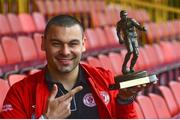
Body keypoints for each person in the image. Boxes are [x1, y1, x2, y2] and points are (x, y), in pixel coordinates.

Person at [0, 15, 147, 119]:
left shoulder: (104, 79)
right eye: (56, 43)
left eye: (73, 44)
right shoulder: (20, 92)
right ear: (43, 43)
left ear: (83, 44)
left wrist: (125, 101)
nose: (65, 52)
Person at [116, 10, 147, 74]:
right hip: (127, 38)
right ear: (120, 16)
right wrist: (120, 38)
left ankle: (131, 67)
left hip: (134, 37)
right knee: (130, 51)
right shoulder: (119, 23)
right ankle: (124, 66)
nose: (124, 17)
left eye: (125, 15)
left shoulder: (131, 20)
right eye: (123, 16)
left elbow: (138, 26)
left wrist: (143, 28)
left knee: (136, 53)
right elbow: (118, 32)